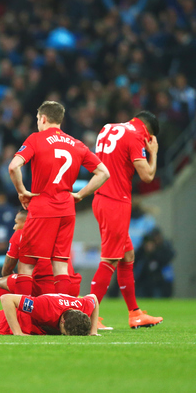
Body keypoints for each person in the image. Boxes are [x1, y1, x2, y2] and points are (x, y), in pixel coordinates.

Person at [8, 101, 109, 297]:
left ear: (43, 118)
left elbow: (13, 166)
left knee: (27, 265)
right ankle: (63, 316)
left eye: (38, 119)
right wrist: (80, 194)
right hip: (67, 209)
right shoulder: (77, 144)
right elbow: (103, 173)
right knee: (61, 265)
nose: (38, 123)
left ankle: (23, 319)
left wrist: (22, 191)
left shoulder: (36, 139)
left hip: (42, 206)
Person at [89, 111, 163, 329]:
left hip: (101, 197)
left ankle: (135, 313)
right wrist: (153, 153)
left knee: (126, 255)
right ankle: (89, 315)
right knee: (110, 259)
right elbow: (147, 176)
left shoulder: (107, 128)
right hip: (115, 201)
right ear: (149, 135)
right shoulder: (136, 137)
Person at [0, 210, 81, 298]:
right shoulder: (58, 233)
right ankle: (70, 303)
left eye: (16, 223)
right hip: (71, 285)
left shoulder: (21, 234)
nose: (14, 227)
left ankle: (21, 310)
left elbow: (6, 269)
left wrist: (14, 278)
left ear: (28, 222)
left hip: (44, 287)